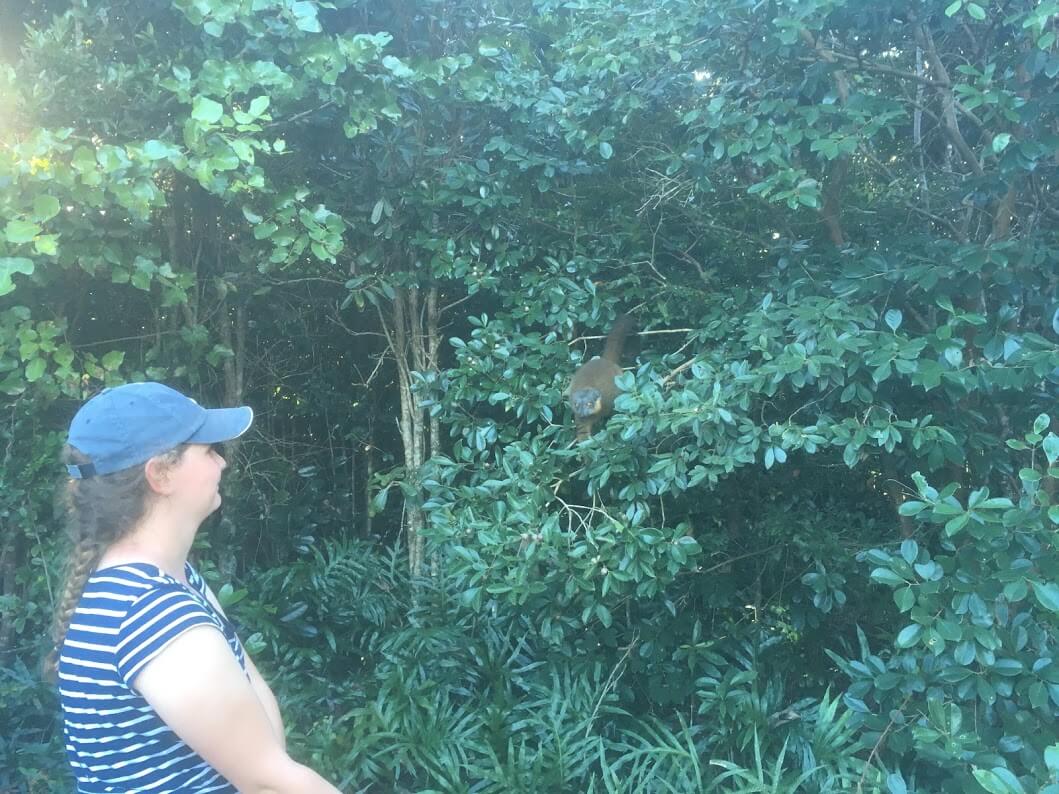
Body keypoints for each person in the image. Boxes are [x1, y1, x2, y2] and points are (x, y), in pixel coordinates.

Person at [45, 382, 342, 794]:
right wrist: (267, 768)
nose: (222, 462)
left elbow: (263, 743)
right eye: (207, 450)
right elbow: (268, 782)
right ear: (161, 474)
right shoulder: (150, 611)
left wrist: (266, 766)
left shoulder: (165, 579)